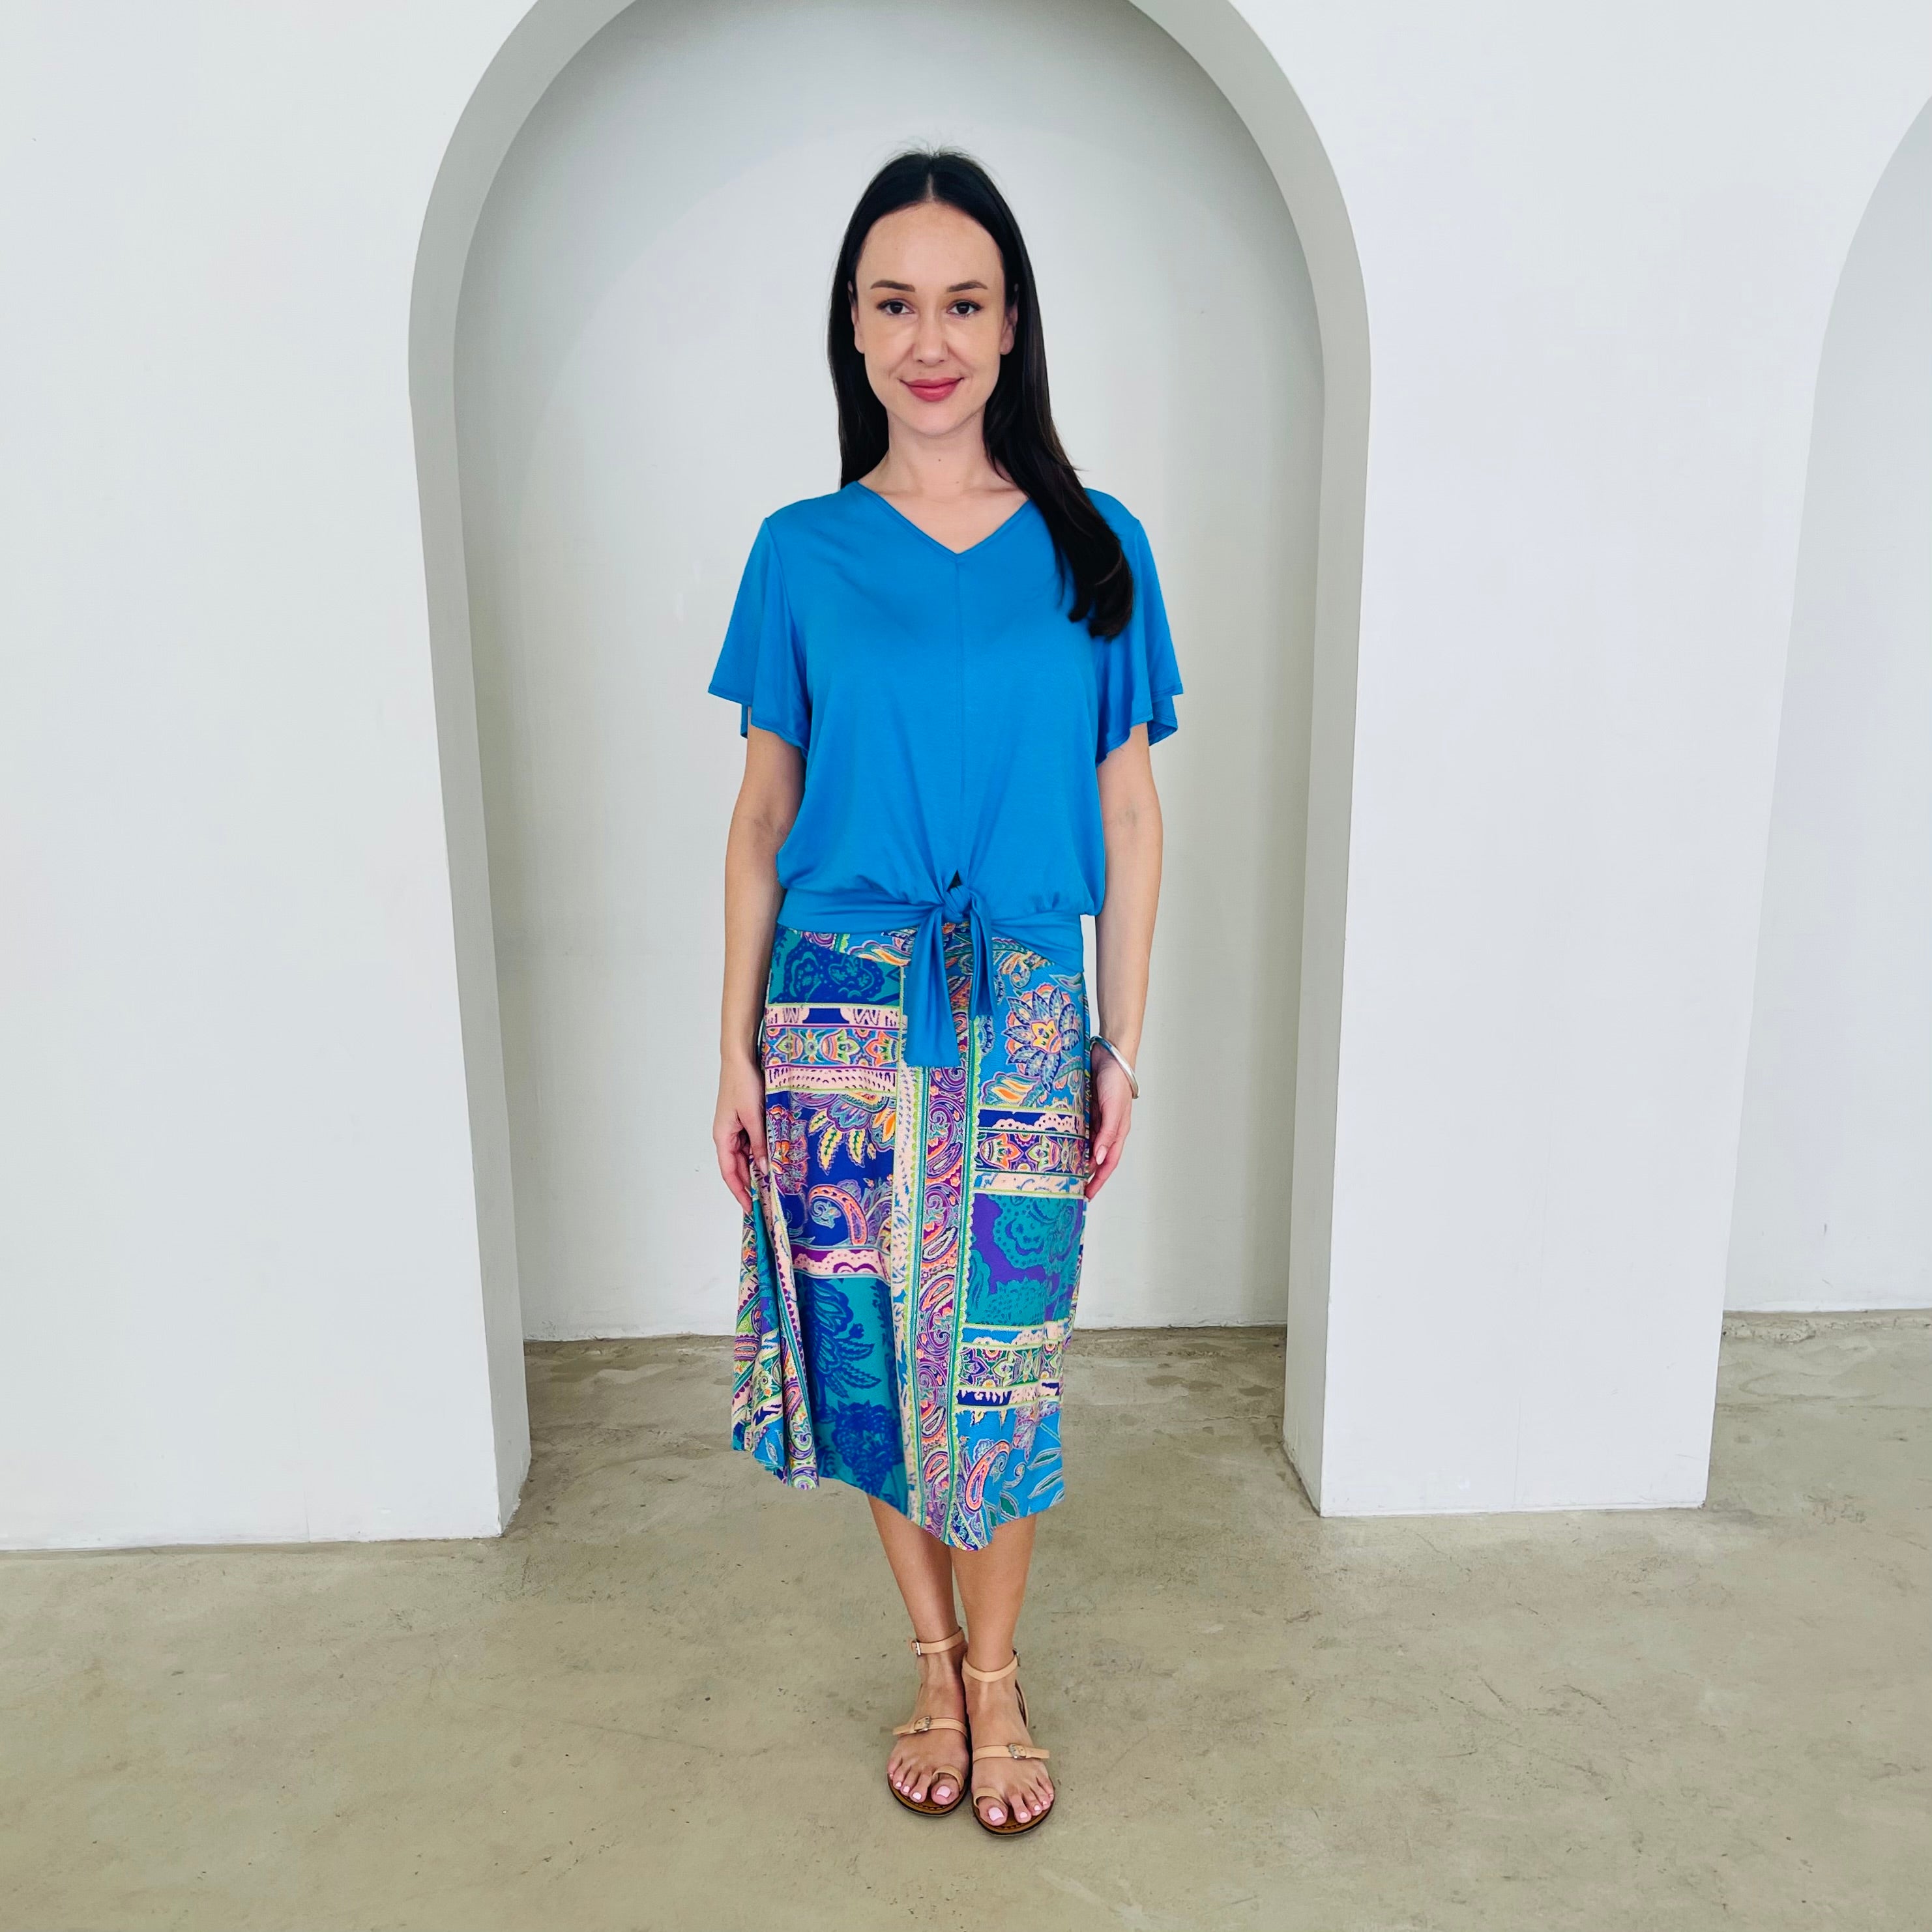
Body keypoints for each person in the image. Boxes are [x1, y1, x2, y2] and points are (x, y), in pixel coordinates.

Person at [709, 148, 1179, 1836]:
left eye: (961, 303)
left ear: (1008, 324)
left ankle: (1000, 1673)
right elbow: (762, 816)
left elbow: (1128, 810)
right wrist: (732, 1057)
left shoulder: (1092, 542)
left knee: (1000, 1358)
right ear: (850, 327)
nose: (929, 338)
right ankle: (930, 1656)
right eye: (894, 302)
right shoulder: (799, 550)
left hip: (1026, 1004)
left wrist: (1120, 1038)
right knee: (867, 1353)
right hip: (835, 1003)